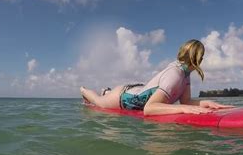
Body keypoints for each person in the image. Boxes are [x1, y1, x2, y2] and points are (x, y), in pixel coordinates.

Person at [80, 39, 233, 116]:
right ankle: (85, 90)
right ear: (196, 58)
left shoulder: (185, 74)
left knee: (105, 97)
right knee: (98, 103)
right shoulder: (175, 75)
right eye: (202, 57)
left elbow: (186, 101)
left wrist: (208, 103)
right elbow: (149, 109)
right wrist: (184, 109)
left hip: (138, 90)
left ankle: (106, 91)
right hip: (123, 98)